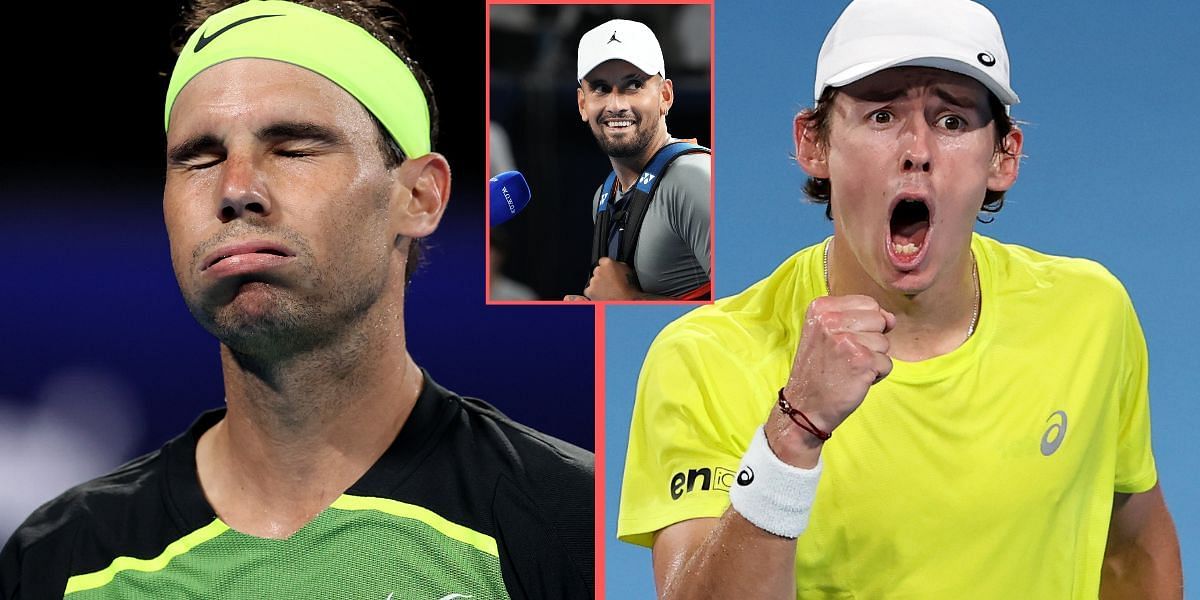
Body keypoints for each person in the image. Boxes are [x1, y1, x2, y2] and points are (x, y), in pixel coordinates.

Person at [0, 2, 593, 598]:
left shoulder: (577, 528)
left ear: (419, 195)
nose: (235, 190)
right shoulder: (59, 561)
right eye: (199, 159)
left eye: (293, 149)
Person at [617, 0, 1182, 598]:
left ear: (1004, 157)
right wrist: (792, 435)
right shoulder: (703, 359)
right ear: (814, 144)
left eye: (953, 121)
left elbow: (1132, 554)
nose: (917, 149)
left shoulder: (1091, 315)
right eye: (883, 116)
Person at [566, 18, 712, 302]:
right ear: (583, 104)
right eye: (600, 88)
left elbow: (745, 306)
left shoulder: (694, 178)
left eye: (633, 85)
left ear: (665, 96)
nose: (617, 105)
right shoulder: (604, 197)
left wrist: (628, 300)